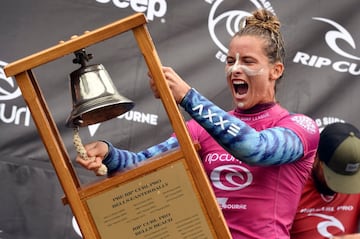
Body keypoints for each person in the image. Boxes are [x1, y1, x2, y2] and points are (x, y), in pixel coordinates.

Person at [76, 9, 319, 238]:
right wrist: (107, 153)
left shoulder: (300, 128)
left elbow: (256, 149)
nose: (235, 69)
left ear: (275, 70)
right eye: (230, 60)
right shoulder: (201, 128)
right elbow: (139, 167)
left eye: (248, 61)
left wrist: (187, 97)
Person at [291, 122, 360, 239]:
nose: (341, 188)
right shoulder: (291, 184)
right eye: (336, 175)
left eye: (349, 179)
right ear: (317, 159)